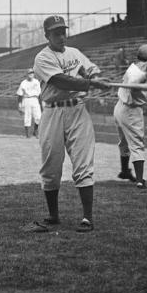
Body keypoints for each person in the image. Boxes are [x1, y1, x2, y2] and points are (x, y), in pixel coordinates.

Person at [33, 15, 109, 233]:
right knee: (51, 164)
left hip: (77, 110)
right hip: (53, 112)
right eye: (56, 33)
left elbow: (90, 69)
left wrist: (95, 75)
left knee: (83, 163)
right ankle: (53, 215)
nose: (61, 36)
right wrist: (90, 83)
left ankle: (87, 218)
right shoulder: (42, 58)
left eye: (63, 32)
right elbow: (60, 80)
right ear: (47, 35)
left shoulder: (74, 53)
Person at [113, 44, 147, 188]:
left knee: (124, 142)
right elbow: (134, 85)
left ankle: (125, 171)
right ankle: (139, 180)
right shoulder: (137, 73)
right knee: (137, 144)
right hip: (130, 111)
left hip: (120, 107)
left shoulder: (134, 67)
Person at [16, 68, 42, 138]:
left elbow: (40, 94)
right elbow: (19, 95)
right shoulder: (23, 83)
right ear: (26, 74)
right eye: (29, 73)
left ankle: (35, 131)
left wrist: (41, 103)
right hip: (26, 99)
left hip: (35, 99)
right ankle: (28, 134)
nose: (31, 74)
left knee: (38, 117)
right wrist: (19, 105)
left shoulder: (36, 82)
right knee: (27, 117)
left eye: (32, 73)